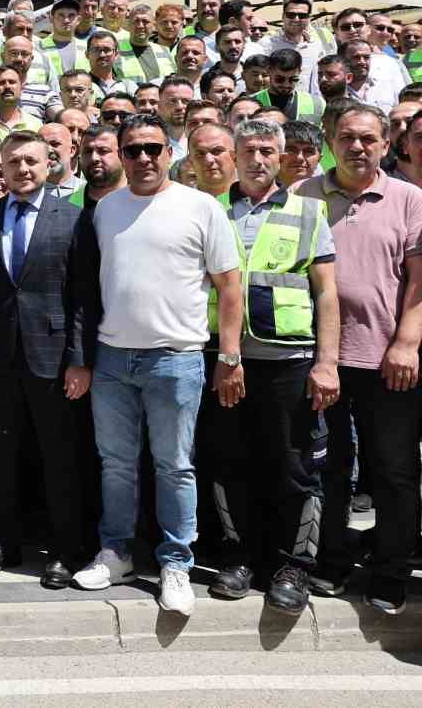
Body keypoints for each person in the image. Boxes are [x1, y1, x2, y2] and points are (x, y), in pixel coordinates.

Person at [72, 114, 242, 617]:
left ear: (170, 152)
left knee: (174, 466)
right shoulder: (106, 209)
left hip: (176, 359)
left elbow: (229, 287)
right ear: (121, 156)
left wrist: (229, 356)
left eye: (152, 148)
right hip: (112, 359)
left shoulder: (201, 207)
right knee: (116, 464)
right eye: (132, 150)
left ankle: (176, 563)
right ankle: (117, 553)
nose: (143, 158)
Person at [203, 119, 339, 616]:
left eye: (267, 150)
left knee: (294, 465)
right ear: (234, 157)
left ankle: (293, 566)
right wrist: (225, 356)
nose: (258, 159)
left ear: (281, 157)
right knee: (230, 461)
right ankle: (239, 558)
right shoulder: (211, 209)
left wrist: (327, 363)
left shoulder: (309, 211)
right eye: (248, 150)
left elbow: (327, 293)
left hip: (289, 361)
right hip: (223, 360)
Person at [294, 104, 422, 614]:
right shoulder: (303, 195)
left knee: (393, 472)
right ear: (330, 142)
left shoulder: (409, 199)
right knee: (328, 470)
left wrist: (406, 343)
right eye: (347, 137)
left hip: (388, 360)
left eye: (369, 139)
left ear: (387, 145)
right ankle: (332, 561)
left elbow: (419, 282)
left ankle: (390, 572)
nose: (357, 147)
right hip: (319, 359)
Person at [0, 131, 93, 588]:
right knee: (0, 455)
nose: (22, 169)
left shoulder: (73, 218)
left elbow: (82, 296)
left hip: (54, 360)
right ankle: (2, 544)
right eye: (13, 161)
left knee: (59, 458)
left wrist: (79, 360)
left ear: (48, 163)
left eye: (31, 161)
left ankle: (64, 551)